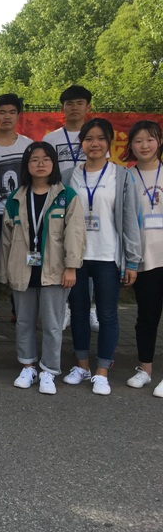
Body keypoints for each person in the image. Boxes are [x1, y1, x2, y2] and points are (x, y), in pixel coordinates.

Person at [0, 142, 85, 395]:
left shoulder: (66, 195)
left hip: (55, 270)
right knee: (24, 321)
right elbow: (5, 238)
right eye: (34, 159)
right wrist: (3, 272)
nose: (40, 164)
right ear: (27, 165)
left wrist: (71, 267)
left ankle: (49, 370)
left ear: (54, 164)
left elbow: (75, 234)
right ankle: (28, 367)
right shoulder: (16, 198)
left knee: (52, 324)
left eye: (46, 159)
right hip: (22, 268)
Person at [61, 118, 141, 396]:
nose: (94, 144)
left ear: (109, 143)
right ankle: (82, 366)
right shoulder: (69, 176)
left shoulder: (121, 176)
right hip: (76, 258)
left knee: (107, 314)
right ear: (81, 143)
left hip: (108, 255)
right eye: (88, 139)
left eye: (100, 138)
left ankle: (102, 371)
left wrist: (132, 260)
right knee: (79, 312)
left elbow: (130, 219)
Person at [44, 85, 99, 331]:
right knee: (61, 252)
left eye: (79, 103)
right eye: (69, 103)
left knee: (89, 254)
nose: (74, 108)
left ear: (88, 107)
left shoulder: (96, 136)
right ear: (62, 108)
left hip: (91, 204)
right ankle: (64, 308)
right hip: (60, 203)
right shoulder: (51, 139)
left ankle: (90, 308)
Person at [0, 94, 33, 327]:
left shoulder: (28, 145)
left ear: (18, 115)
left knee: (20, 261)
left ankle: (18, 309)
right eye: (2, 112)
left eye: (12, 112)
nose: (7, 117)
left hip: (22, 214)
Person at [122, 121, 163, 397]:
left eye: (150, 139)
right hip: (144, 259)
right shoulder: (127, 177)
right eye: (138, 140)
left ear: (159, 141)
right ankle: (145, 370)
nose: (144, 145)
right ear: (131, 145)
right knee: (147, 316)